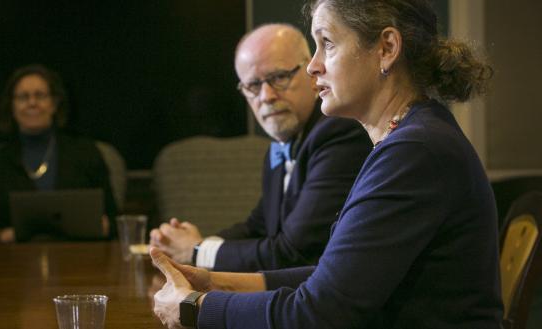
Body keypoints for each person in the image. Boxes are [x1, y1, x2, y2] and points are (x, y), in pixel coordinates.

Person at [150, 0, 504, 328]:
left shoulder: (416, 151)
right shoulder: (410, 140)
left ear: (387, 49)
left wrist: (195, 307)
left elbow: (319, 312)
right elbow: (330, 278)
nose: (313, 66)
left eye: (327, 43)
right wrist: (214, 280)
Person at [149, 24, 372, 272]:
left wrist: (197, 251)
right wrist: (190, 243)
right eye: (253, 85)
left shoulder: (339, 132)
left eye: (278, 77)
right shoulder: (279, 147)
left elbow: (294, 252)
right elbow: (259, 227)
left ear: (312, 74)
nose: (266, 96)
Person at [0, 64, 117, 243]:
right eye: (23, 97)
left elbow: (114, 222)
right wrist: (1, 237)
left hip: (81, 260)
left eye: (40, 95)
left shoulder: (86, 153)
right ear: (11, 106)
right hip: (12, 262)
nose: (32, 103)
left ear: (54, 104)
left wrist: (102, 226)